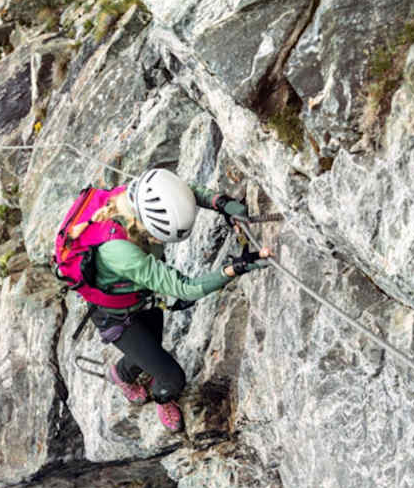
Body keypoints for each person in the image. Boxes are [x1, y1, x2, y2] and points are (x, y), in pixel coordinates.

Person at [75, 168, 270, 432]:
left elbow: (184, 194)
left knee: (150, 349)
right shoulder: (122, 253)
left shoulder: (141, 195)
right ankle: (161, 395)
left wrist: (221, 203)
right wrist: (236, 269)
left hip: (138, 298)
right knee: (172, 377)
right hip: (117, 315)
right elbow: (185, 288)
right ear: (147, 229)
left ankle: (121, 373)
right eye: (158, 237)